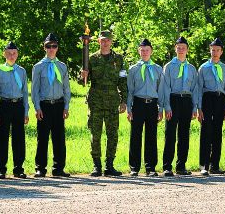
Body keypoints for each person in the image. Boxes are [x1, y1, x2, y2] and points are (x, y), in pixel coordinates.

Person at [80, 30, 127, 177]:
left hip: (113, 100)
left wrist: (124, 100)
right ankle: (97, 165)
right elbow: (83, 82)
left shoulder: (118, 59)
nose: (105, 42)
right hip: (96, 100)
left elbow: (123, 80)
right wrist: (82, 76)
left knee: (112, 134)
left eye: (107, 40)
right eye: (102, 40)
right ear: (98, 41)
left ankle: (109, 165)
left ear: (111, 41)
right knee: (96, 134)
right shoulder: (92, 59)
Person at [32, 33, 71, 177]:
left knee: (59, 138)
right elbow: (35, 90)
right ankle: (40, 168)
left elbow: (66, 88)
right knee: (42, 138)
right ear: (44, 48)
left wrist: (66, 107)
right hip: (44, 105)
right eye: (48, 46)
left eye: (54, 46)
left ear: (57, 48)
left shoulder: (62, 66)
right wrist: (37, 107)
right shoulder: (38, 67)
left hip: (59, 105)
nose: (51, 49)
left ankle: (58, 168)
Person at [160, 36, 198, 176]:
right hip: (173, 100)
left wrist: (194, 107)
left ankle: (181, 166)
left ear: (187, 50)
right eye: (178, 47)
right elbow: (165, 88)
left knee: (184, 135)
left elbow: (195, 89)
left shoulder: (192, 68)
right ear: (175, 49)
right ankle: (167, 166)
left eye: (183, 47)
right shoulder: (169, 67)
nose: (181, 50)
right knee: (170, 134)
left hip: (187, 101)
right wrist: (167, 107)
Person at [0, 42, 29, 179]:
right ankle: (1, 169)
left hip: (18, 106)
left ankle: (18, 168)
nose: (12, 56)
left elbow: (25, 92)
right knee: (2, 137)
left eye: (14, 53)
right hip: (5, 106)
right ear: (4, 54)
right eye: (9, 53)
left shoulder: (22, 71)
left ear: (17, 54)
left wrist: (26, 111)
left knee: (19, 138)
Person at [127, 39, 163, 177]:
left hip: (152, 105)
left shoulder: (158, 69)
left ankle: (150, 167)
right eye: (142, 50)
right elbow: (130, 90)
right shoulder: (133, 69)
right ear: (138, 51)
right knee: (135, 136)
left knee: (151, 136)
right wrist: (129, 109)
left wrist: (161, 108)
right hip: (138, 103)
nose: (144, 52)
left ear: (151, 51)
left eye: (147, 50)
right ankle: (134, 167)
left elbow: (161, 90)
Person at [197, 38, 225, 176]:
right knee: (206, 131)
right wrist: (199, 108)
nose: (215, 52)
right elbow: (198, 89)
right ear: (209, 51)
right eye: (213, 50)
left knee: (217, 132)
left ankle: (214, 165)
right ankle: (203, 165)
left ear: (221, 52)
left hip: (220, 100)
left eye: (217, 50)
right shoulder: (203, 68)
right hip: (207, 99)